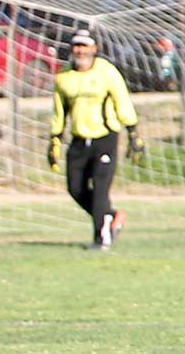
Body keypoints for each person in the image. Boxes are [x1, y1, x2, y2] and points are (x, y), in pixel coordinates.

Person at [48, 29, 145, 250]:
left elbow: (123, 102)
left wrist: (133, 134)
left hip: (105, 138)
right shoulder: (63, 77)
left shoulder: (107, 73)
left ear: (94, 49)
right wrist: (54, 140)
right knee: (76, 189)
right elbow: (59, 111)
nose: (80, 50)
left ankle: (102, 239)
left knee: (101, 188)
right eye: (76, 45)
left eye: (84, 45)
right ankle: (111, 216)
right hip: (79, 140)